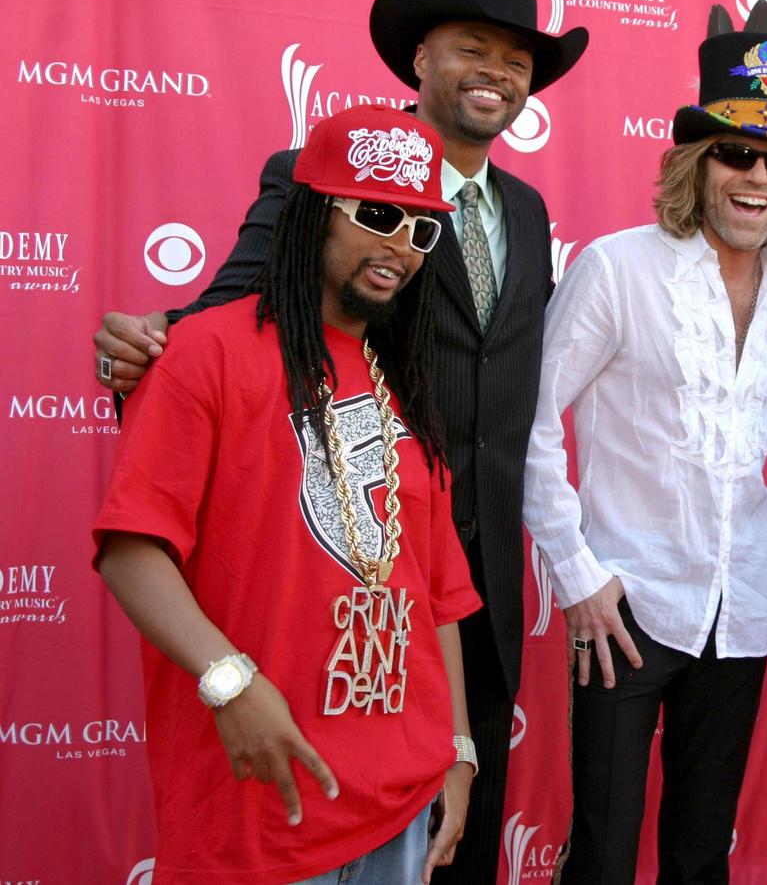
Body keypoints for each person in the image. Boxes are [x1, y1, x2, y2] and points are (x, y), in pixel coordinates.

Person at [90, 0, 587, 875]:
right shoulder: (314, 177)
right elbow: (235, 314)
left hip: (459, 584)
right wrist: (153, 346)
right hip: (310, 614)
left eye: (517, 59)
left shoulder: (527, 208)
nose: (398, 241)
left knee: (456, 834)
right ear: (421, 58)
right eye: (472, 48)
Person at [94, 105, 482, 883]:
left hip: (399, 796)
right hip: (258, 796)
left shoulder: (404, 384)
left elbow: (435, 591)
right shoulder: (206, 352)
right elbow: (132, 550)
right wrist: (230, 684)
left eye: (420, 230)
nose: (398, 247)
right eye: (376, 215)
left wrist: (459, 748)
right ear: (312, 216)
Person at [521, 1, 767, 883]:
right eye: (736, 152)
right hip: (628, 604)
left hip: (737, 609)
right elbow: (536, 421)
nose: (757, 175)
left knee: (701, 854)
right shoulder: (616, 268)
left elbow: (743, 404)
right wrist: (579, 577)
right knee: (606, 855)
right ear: (698, 161)